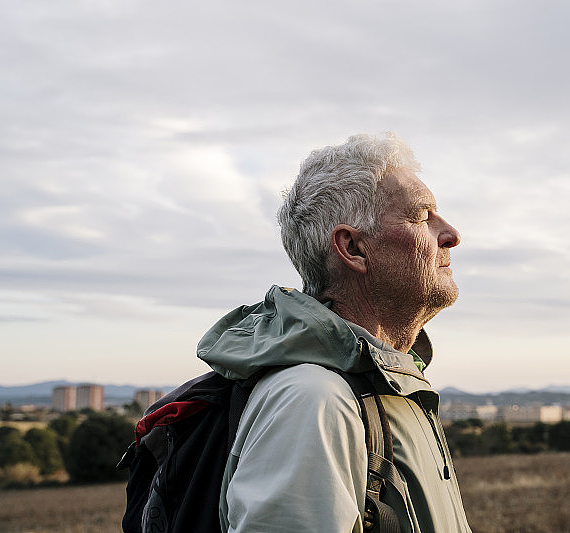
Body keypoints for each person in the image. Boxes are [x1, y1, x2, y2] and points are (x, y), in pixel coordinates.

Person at [197, 132, 471, 532]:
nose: (451, 234)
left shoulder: (391, 386)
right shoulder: (313, 401)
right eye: (422, 216)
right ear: (353, 248)